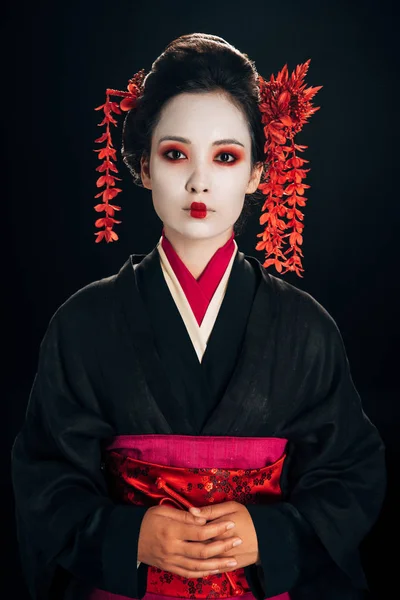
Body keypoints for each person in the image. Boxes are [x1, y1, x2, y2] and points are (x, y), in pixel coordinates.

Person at [11, 32, 386, 600]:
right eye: (175, 153)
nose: (199, 181)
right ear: (141, 166)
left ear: (259, 173)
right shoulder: (83, 323)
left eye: (227, 156)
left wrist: (268, 533)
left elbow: (351, 474)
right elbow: (44, 478)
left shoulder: (305, 328)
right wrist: (131, 535)